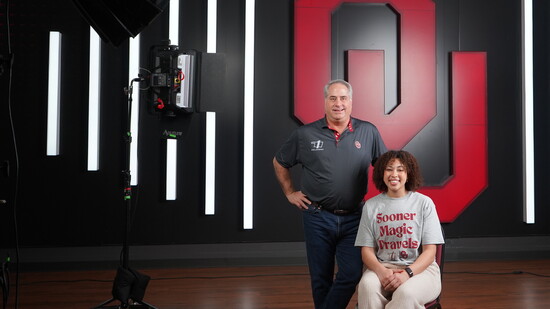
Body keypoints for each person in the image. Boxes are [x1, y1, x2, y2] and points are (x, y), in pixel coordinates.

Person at [273, 79, 387, 309]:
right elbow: (280, 161)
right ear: (325, 101)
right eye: (333, 98)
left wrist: (390, 201)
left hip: (355, 218)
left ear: (351, 101)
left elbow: (385, 168)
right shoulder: (305, 134)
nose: (338, 104)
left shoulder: (368, 131)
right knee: (320, 279)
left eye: (343, 98)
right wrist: (290, 193)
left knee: (352, 274)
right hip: (317, 216)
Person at [354, 150, 444, 309]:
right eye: (389, 169)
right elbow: (366, 250)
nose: (394, 174)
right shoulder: (371, 206)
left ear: (409, 174)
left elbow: (430, 252)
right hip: (383, 268)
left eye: (400, 169)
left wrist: (407, 274)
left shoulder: (424, 203)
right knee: (367, 287)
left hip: (420, 271)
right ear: (382, 173)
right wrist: (381, 272)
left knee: (406, 294)